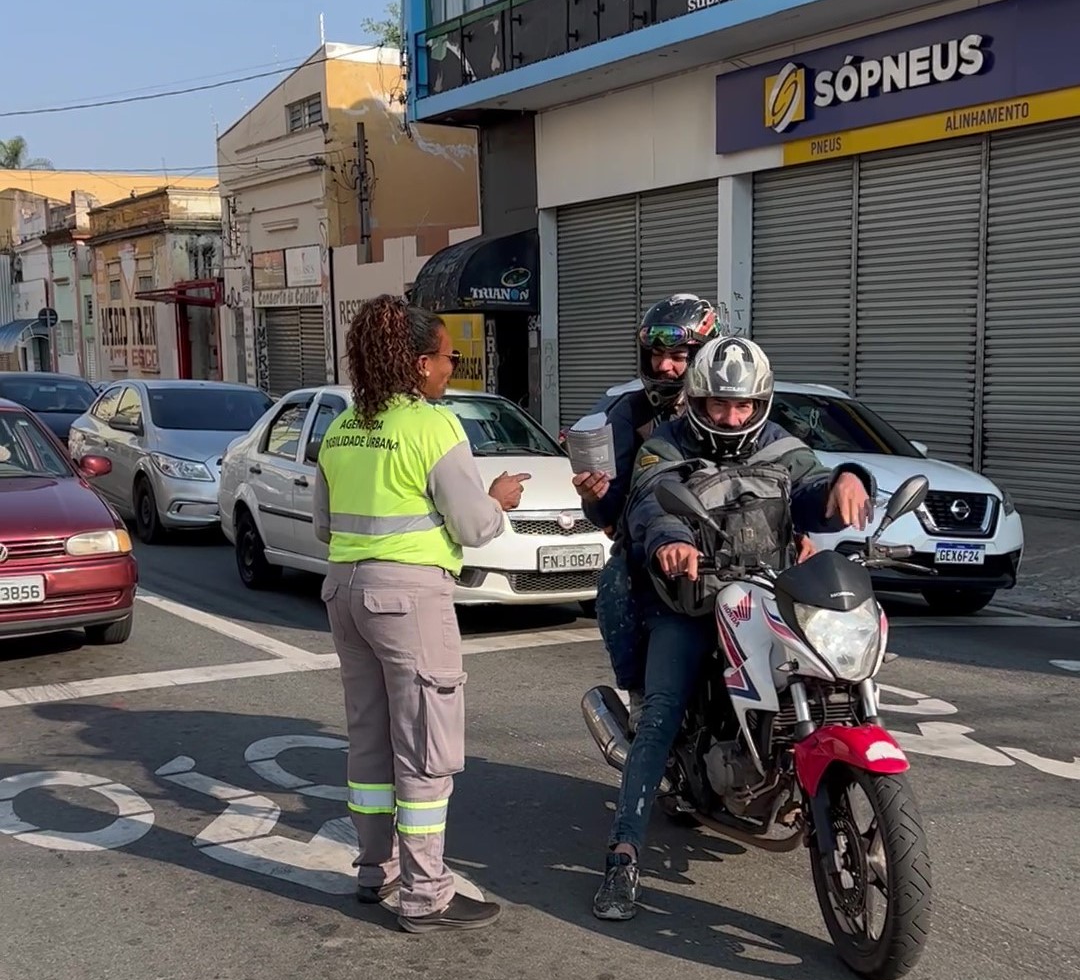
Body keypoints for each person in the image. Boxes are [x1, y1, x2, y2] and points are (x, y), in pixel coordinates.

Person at [592, 334, 876, 922]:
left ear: (760, 403)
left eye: (743, 405)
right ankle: (623, 855)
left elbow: (809, 487)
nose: (731, 417)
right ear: (697, 400)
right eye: (719, 404)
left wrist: (846, 480)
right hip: (688, 601)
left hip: (765, 593)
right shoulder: (666, 446)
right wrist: (671, 542)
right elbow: (651, 503)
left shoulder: (778, 444)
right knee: (661, 714)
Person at [314, 295, 528, 933]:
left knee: (369, 738)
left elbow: (325, 524)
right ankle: (426, 893)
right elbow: (474, 525)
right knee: (425, 746)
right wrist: (498, 500)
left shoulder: (342, 426)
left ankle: (373, 871)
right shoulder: (434, 427)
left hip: (344, 592)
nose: (450, 368)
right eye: (446, 357)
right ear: (417, 364)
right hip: (407, 597)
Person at [572, 296, 722, 727]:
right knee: (615, 583)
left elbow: (782, 468)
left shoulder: (730, 406)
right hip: (654, 551)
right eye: (657, 354)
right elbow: (608, 511)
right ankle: (640, 699)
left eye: (678, 356)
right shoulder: (631, 413)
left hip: (733, 548)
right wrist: (595, 494)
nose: (665, 367)